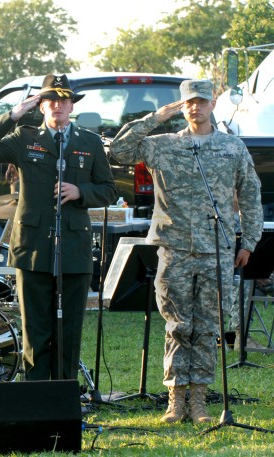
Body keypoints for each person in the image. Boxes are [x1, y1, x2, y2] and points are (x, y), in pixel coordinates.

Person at [110, 79, 263, 424]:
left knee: (209, 326)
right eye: (190, 102)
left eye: (202, 102)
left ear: (212, 105)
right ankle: (175, 401)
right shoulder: (162, 146)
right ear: (182, 106)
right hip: (174, 248)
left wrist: (248, 243)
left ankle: (199, 401)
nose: (196, 108)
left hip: (217, 251)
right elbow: (118, 151)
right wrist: (155, 118)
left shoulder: (232, 148)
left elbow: (251, 196)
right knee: (178, 325)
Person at [0, 74, 117, 381]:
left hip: (73, 247)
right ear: (41, 105)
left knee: (69, 326)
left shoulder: (88, 142)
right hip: (33, 246)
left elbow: (109, 189)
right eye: (51, 100)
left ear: (71, 105)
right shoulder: (25, 138)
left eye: (64, 101)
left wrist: (81, 192)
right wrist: (12, 114)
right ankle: (36, 394)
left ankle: (64, 392)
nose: (58, 106)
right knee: (36, 327)